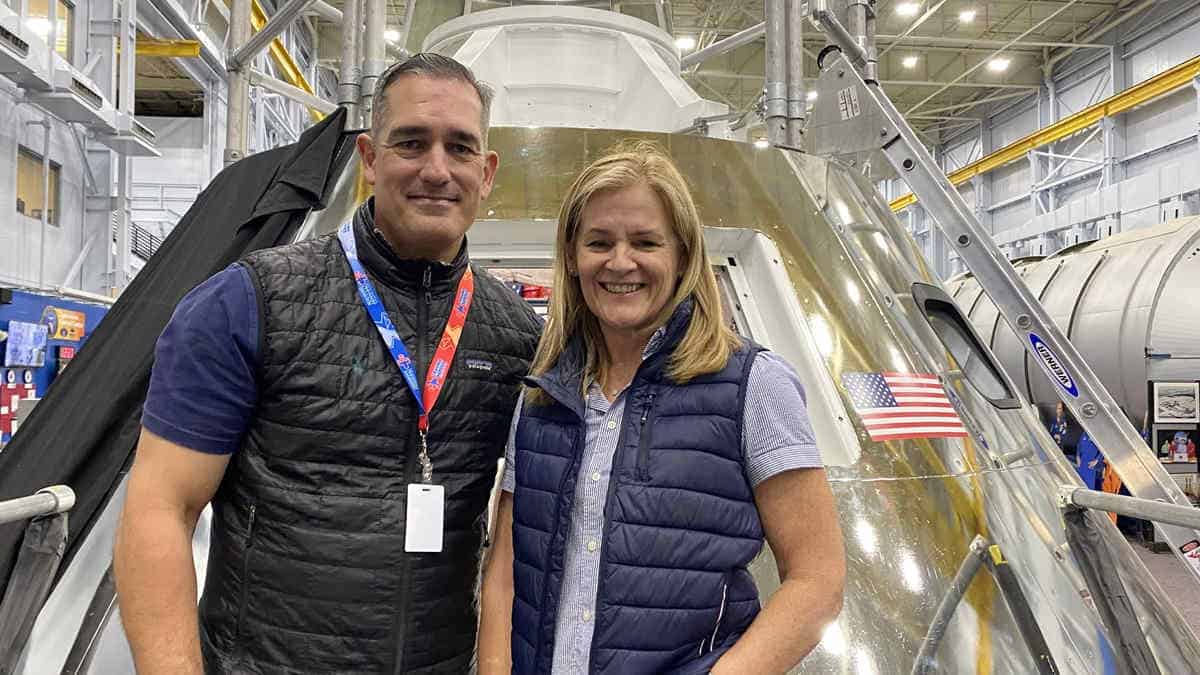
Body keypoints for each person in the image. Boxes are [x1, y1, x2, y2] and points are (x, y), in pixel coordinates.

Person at [113, 54, 543, 674]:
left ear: (488, 171)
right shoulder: (248, 303)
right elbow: (159, 508)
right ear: (369, 159)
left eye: (461, 148)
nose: (437, 169)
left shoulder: (513, 334)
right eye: (411, 143)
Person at [477, 142, 846, 674]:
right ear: (573, 259)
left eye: (646, 242)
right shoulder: (541, 396)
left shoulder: (752, 386)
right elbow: (507, 567)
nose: (620, 262)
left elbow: (818, 579)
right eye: (598, 242)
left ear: (682, 257)